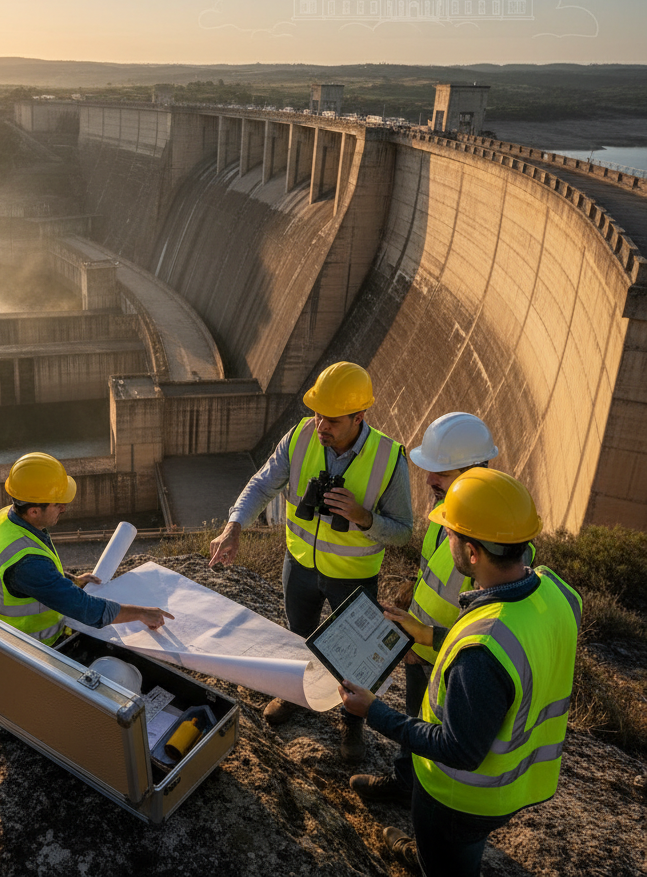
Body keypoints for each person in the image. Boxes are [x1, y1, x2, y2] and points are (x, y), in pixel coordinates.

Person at [338, 469, 582, 877]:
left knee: (446, 859)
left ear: (471, 553)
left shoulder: (482, 651)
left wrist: (374, 711)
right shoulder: (557, 592)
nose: (444, 538)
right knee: (459, 852)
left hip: (459, 797)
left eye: (449, 533)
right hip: (517, 782)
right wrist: (428, 634)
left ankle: (430, 861)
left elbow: (458, 749)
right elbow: (514, 648)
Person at [208, 361, 412, 761]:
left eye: (332, 419)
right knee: (297, 636)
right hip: (299, 566)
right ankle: (295, 695)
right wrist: (234, 526)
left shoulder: (390, 458)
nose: (321, 425)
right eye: (318, 414)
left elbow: (403, 531)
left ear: (359, 417)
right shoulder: (301, 436)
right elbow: (263, 484)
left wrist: (363, 517)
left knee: (354, 658)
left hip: (353, 578)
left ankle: (352, 724)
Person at [350, 412, 498, 805]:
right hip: (421, 647)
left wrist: (428, 640)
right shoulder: (445, 511)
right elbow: (433, 571)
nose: (429, 480)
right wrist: (411, 608)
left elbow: (490, 629)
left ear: (475, 471)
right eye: (429, 470)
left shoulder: (495, 538)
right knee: (415, 722)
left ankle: (428, 803)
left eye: (441, 473)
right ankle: (405, 783)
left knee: (441, 739)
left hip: (452, 663)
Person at [0, 451, 173, 646]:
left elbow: (38, 574)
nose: (64, 508)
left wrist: (73, 580)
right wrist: (141, 613)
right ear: (34, 511)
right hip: (32, 647)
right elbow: (85, 609)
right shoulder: (28, 565)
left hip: (9, 633)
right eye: (58, 504)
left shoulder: (4, 518)